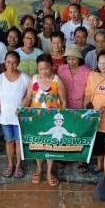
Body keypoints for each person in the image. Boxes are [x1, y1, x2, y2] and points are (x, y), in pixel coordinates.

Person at [22, 55, 67, 186]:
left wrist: (63, 117)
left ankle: (49, 171)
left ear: (52, 67)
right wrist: (21, 108)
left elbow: (64, 101)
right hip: (36, 119)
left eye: (46, 68)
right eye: (40, 69)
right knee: (38, 144)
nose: (43, 71)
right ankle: (39, 169)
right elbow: (28, 97)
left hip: (53, 120)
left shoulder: (57, 80)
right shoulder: (33, 79)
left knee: (51, 146)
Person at [0, 50, 29, 178]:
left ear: (18, 63)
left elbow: (29, 97)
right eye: (8, 62)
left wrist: (24, 105)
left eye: (14, 63)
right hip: (5, 118)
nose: (11, 65)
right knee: (9, 142)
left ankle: (18, 165)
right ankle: (10, 164)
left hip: (19, 118)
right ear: (5, 63)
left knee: (19, 142)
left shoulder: (25, 78)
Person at [58, 46, 91, 111]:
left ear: (79, 59)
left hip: (80, 106)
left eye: (74, 59)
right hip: (64, 105)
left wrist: (85, 107)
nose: (71, 62)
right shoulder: (61, 69)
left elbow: (89, 91)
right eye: (68, 59)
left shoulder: (87, 71)